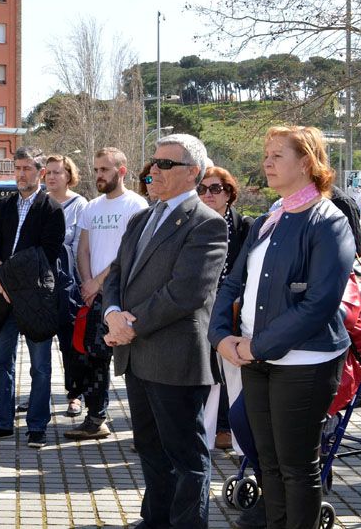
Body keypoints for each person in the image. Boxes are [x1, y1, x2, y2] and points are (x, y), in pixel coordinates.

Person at [210, 126, 354, 529]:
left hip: (304, 361)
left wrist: (257, 347)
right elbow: (233, 283)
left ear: (307, 162)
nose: (267, 162)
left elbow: (318, 304)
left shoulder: (329, 221)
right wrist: (220, 335)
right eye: (266, 154)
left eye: (277, 154)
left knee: (297, 467)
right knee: (268, 464)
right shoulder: (268, 220)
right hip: (255, 358)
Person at [103, 134, 228, 528]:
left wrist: (128, 325)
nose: (152, 170)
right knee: (151, 451)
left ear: (192, 173)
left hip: (175, 359)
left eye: (164, 164)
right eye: (153, 162)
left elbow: (185, 292)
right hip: (139, 355)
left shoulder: (206, 223)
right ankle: (155, 519)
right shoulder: (142, 217)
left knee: (185, 456)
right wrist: (111, 314)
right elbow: (117, 273)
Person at [0, 147, 64, 449]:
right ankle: (2, 422)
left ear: (40, 172)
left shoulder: (51, 209)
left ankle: (37, 426)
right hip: (4, 298)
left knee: (40, 366)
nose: (21, 174)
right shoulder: (3, 207)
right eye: (17, 168)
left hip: (35, 300)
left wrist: (10, 277)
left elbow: (46, 255)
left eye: (27, 168)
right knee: (1, 363)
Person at [65, 147, 147, 441]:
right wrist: (87, 282)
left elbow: (128, 254)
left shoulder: (136, 206)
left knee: (131, 362)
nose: (99, 175)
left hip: (122, 295)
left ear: (121, 171)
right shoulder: (92, 207)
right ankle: (96, 417)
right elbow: (83, 248)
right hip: (93, 296)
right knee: (93, 358)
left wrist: (98, 282)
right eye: (97, 169)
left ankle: (144, 429)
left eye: (105, 169)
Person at [198, 166, 253, 454]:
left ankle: (240, 440)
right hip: (199, 310)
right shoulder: (194, 224)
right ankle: (204, 438)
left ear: (229, 193)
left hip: (233, 311)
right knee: (206, 376)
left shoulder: (244, 226)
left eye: (215, 188)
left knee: (233, 375)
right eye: (202, 189)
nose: (208, 194)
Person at [44, 154, 88, 418]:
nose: (51, 177)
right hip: (39, 287)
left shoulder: (79, 205)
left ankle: (75, 395)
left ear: (69, 176)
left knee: (69, 344)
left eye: (57, 172)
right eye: (48, 172)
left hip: (67, 286)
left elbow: (82, 247)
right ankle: (39, 395)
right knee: (37, 346)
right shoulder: (39, 202)